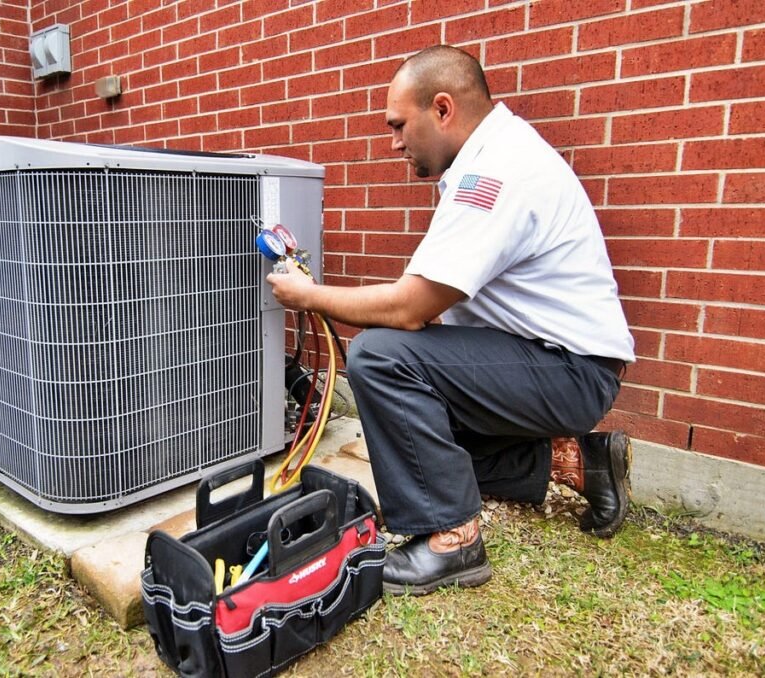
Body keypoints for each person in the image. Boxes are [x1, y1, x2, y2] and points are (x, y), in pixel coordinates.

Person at [267, 45, 635, 596]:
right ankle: (579, 462)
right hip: (551, 363)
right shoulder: (493, 157)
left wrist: (309, 295)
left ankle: (452, 538)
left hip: (570, 371)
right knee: (416, 447)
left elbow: (408, 308)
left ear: (442, 109)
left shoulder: (496, 173)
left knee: (378, 355)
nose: (394, 142)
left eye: (398, 125)